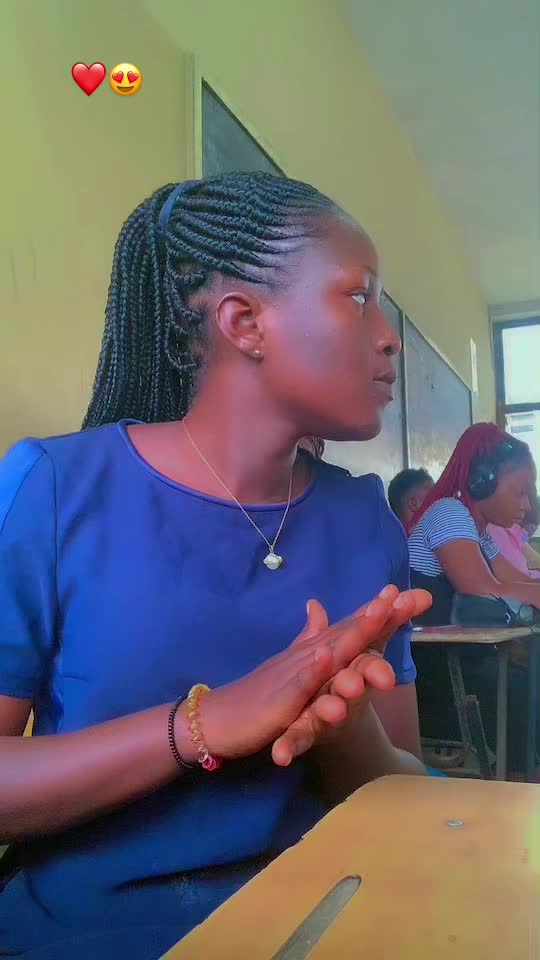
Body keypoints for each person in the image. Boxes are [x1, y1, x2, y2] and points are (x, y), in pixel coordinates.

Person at [0, 172, 431, 960]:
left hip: (324, 926)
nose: (388, 336)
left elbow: (400, 789)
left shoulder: (366, 522)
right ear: (244, 322)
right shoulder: (57, 488)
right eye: (358, 296)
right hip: (91, 938)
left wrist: (342, 727)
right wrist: (203, 725)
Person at [406, 422, 540, 773]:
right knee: (526, 691)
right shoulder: (449, 513)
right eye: (520, 493)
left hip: (457, 664)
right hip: (436, 677)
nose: (526, 505)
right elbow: (484, 589)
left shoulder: (478, 530)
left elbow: (516, 580)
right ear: (483, 482)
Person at [487, 495, 540, 580]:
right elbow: (520, 576)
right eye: (520, 493)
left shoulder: (515, 533)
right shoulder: (498, 530)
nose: (527, 506)